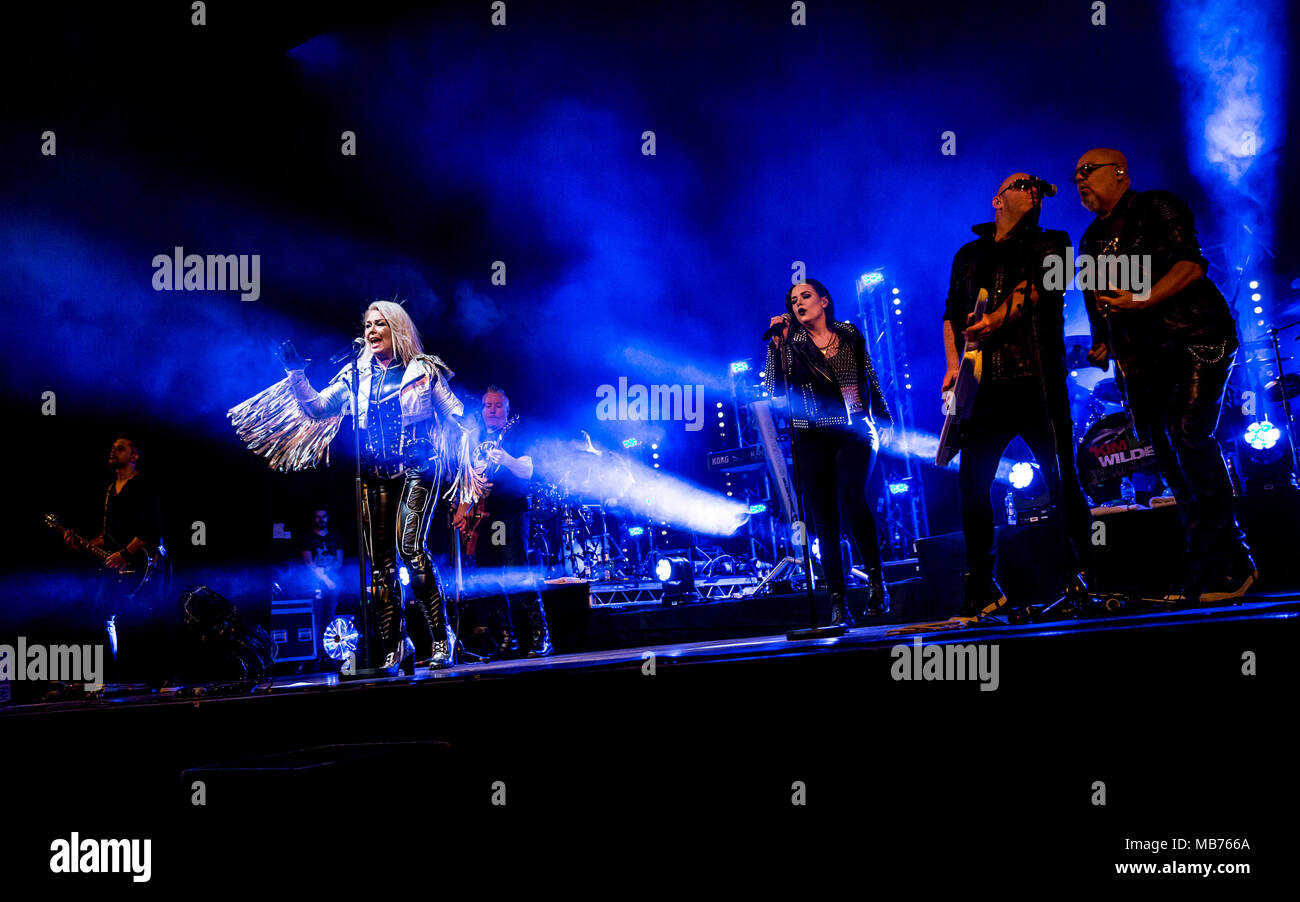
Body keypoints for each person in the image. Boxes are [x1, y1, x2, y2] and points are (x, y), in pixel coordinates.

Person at [230, 300, 477, 671]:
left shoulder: (423, 371)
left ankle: (442, 638)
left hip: (419, 466)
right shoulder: (355, 376)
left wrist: (469, 441)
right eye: (367, 325)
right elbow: (315, 408)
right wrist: (296, 371)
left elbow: (456, 414)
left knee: (410, 550)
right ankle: (396, 645)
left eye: (380, 324)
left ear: (398, 329)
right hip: (375, 472)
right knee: (380, 566)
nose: (372, 332)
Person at [1074, 148, 1255, 603]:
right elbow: (1101, 300)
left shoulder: (1157, 206)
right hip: (1145, 357)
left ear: (1119, 173)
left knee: (1189, 434)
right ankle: (1206, 568)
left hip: (1197, 335)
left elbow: (1191, 266)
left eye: (1088, 171)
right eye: (1075, 174)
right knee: (1169, 455)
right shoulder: (1092, 239)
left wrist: (1141, 300)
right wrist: (1103, 343)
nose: (1079, 180)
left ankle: (1235, 563)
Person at [941, 172, 1093, 617]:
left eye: (1036, 187)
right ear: (997, 200)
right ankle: (982, 586)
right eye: (1020, 184)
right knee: (972, 487)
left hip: (1037, 379)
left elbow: (1038, 291)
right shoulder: (968, 255)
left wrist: (994, 321)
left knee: (1063, 478)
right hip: (983, 388)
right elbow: (951, 313)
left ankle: (1080, 575)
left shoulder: (1054, 243)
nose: (1031, 189)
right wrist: (953, 367)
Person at [764, 278, 892, 627]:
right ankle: (837, 601)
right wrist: (777, 345)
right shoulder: (790, 345)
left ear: (824, 301)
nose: (799, 303)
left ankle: (877, 585)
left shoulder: (849, 333)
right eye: (793, 300)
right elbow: (774, 389)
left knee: (853, 499)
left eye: (805, 296)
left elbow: (869, 374)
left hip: (854, 430)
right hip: (811, 436)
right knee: (825, 522)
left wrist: (883, 414)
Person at [454, 386, 553, 657]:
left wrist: (506, 459)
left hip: (509, 513)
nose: (492, 409)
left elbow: (527, 471)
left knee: (516, 572)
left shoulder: (515, 433)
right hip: (483, 517)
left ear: (507, 410)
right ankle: (507, 638)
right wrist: (462, 509)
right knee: (490, 577)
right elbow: (467, 480)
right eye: (488, 405)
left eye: (498, 405)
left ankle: (540, 636)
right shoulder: (473, 440)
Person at [61, 434, 169, 683]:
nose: (113, 451)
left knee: (146, 618)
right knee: (99, 614)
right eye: (112, 448)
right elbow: (107, 535)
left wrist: (124, 554)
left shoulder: (144, 486)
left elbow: (151, 531)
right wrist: (80, 543)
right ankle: (113, 677)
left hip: (146, 564)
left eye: (120, 448)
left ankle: (160, 677)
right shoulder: (110, 490)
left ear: (134, 456)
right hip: (119, 565)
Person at [299, 508, 344, 666]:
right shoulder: (308, 538)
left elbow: (339, 562)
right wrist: (324, 578)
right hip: (315, 584)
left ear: (328, 518)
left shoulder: (335, 537)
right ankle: (316, 657)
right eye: (318, 517)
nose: (321, 519)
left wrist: (325, 571)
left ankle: (329, 655)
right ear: (314, 519)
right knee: (316, 621)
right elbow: (309, 564)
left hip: (333, 583)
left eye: (324, 516)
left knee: (330, 619)